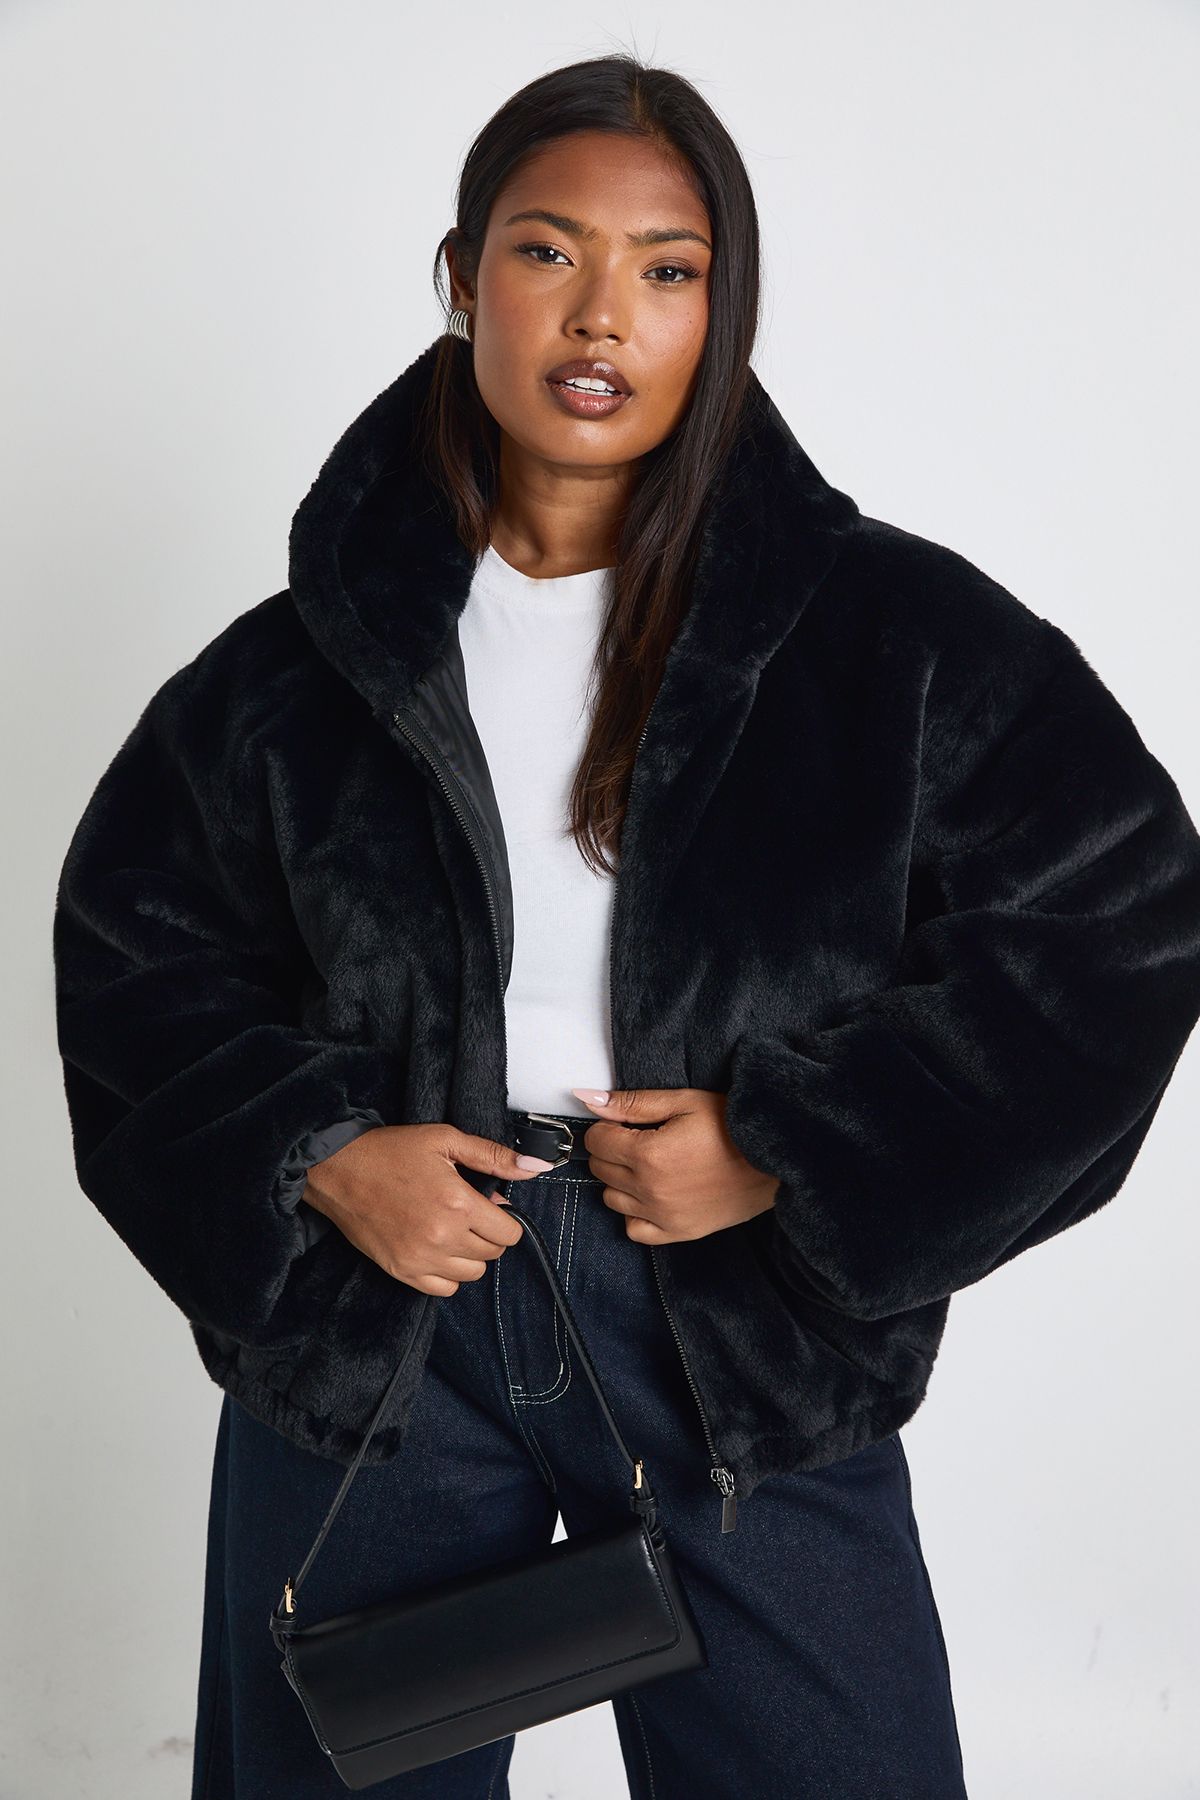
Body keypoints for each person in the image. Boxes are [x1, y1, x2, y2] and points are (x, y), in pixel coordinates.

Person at [52, 52, 1200, 1800]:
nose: (603, 316)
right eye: (547, 251)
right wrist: (322, 1160)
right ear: (463, 275)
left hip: (731, 1320)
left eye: (669, 269)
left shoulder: (890, 637)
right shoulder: (298, 666)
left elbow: (1118, 922)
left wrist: (794, 1148)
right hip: (396, 1319)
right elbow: (138, 956)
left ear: (723, 311)